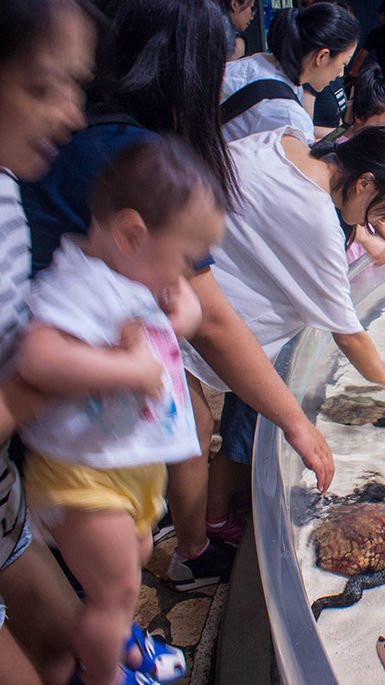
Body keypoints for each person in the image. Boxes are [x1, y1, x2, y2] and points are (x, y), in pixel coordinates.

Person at [20, 0, 334, 592]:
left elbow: (192, 309)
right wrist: (295, 421)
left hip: (74, 414)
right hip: (68, 421)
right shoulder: (130, 158)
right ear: (189, 68)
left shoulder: (100, 134)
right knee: (96, 577)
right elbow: (212, 323)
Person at [19, 138, 222, 685]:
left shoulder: (136, 275)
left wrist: (180, 306)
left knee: (129, 566)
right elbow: (38, 356)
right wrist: (129, 371)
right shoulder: (82, 282)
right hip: (85, 473)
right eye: (185, 257)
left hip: (128, 469)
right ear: (132, 233)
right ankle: (106, 672)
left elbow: (183, 316)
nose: (185, 273)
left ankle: (121, 640)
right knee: (114, 594)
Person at [182, 125, 385, 534]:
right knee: (201, 436)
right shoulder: (317, 222)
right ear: (365, 182)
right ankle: (201, 532)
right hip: (209, 326)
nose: (382, 221)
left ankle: (210, 517)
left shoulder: (282, 139)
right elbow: (348, 333)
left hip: (183, 292)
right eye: (383, 210)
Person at [0, 3, 96, 682]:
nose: (71, 116)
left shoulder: (7, 182)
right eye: (42, 86)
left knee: (71, 647)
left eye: (76, 86)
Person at [221, 2, 360, 145]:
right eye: (343, 63)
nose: (341, 73)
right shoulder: (288, 116)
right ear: (322, 57)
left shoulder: (263, 61)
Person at [334, 65, 385, 273]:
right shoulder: (342, 153)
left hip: (362, 225)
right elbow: (365, 203)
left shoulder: (376, 151)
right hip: (348, 233)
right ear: (359, 117)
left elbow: (379, 200)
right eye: (382, 128)